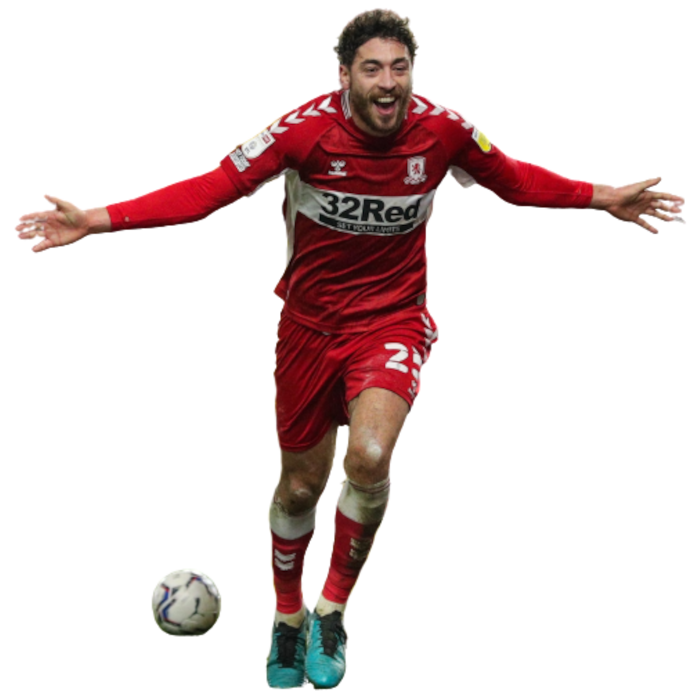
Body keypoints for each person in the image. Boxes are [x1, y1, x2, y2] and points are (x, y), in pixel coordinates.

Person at [15, 7, 686, 691]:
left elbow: (513, 178)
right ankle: (287, 617)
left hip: (393, 322)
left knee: (368, 455)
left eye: (400, 67)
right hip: (307, 330)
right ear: (344, 77)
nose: (388, 82)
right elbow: (212, 190)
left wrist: (603, 198)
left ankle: (332, 610)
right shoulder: (302, 132)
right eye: (372, 68)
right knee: (300, 485)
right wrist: (98, 219)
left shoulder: (444, 130)